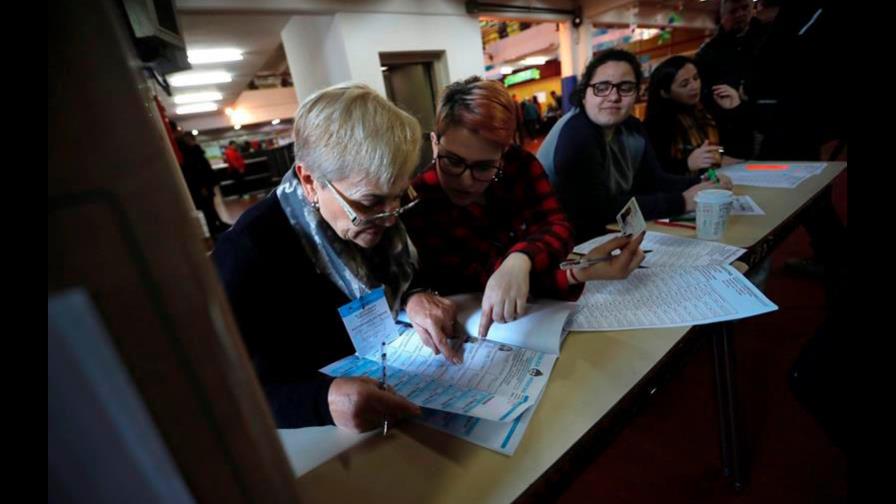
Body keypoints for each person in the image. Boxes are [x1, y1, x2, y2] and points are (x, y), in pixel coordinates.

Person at [213, 83, 449, 431]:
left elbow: (406, 272)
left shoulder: (380, 211)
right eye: (370, 203)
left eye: (400, 195)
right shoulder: (247, 253)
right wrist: (323, 402)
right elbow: (227, 389)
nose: (391, 218)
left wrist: (414, 295)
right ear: (310, 181)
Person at [403, 76, 645, 343]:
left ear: (503, 154)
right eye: (452, 161)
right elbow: (482, 280)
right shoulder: (419, 200)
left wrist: (520, 259)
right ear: (435, 143)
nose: (466, 180)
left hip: (538, 311)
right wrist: (577, 272)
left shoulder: (519, 164)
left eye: (484, 167)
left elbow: (557, 224)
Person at [537, 49, 731, 241]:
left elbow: (654, 180)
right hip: (565, 244)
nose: (613, 97)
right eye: (601, 87)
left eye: (626, 88)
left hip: (611, 233)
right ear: (584, 94)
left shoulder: (632, 127)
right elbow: (595, 209)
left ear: (637, 94)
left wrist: (703, 184)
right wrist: (682, 202)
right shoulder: (577, 133)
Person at [644, 55, 745, 176]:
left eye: (696, 78)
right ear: (665, 93)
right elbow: (655, 169)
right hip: (684, 184)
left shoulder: (706, 111)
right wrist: (687, 164)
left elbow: (723, 148)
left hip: (716, 178)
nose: (694, 86)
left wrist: (734, 109)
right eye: (684, 84)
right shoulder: (656, 123)